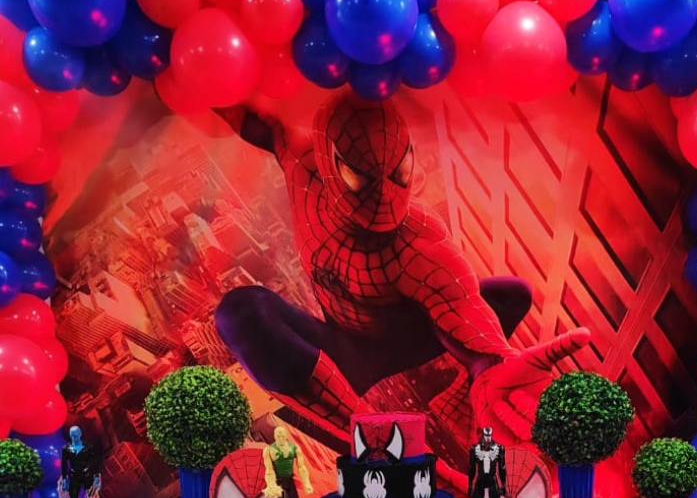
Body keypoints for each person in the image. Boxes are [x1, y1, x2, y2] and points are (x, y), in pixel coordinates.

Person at [213, 95, 589, 453]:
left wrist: (493, 362)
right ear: (329, 165)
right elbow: (265, 127)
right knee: (240, 311)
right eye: (360, 178)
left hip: (405, 337)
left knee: (510, 294)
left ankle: (461, 398)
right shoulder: (302, 167)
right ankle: (362, 428)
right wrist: (208, 87)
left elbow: (461, 300)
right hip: (348, 352)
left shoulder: (418, 238)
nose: (384, 198)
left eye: (399, 173)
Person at [466, 426, 507, 498]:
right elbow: (472, 469)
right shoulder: (475, 449)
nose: (488, 438)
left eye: (489, 436)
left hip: (492, 481)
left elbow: (502, 468)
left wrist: (503, 486)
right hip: (480, 481)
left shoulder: (499, 448)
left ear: (491, 435)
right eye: (486, 436)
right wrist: (470, 486)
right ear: (483, 436)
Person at [58, 425, 102, 498]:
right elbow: (64, 464)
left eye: (76, 434)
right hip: (74, 476)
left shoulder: (88, 447)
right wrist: (64, 478)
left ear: (80, 434)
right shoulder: (66, 448)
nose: (74, 436)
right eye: (72, 434)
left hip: (87, 476)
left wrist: (96, 476)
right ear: (70, 435)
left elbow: (95, 462)